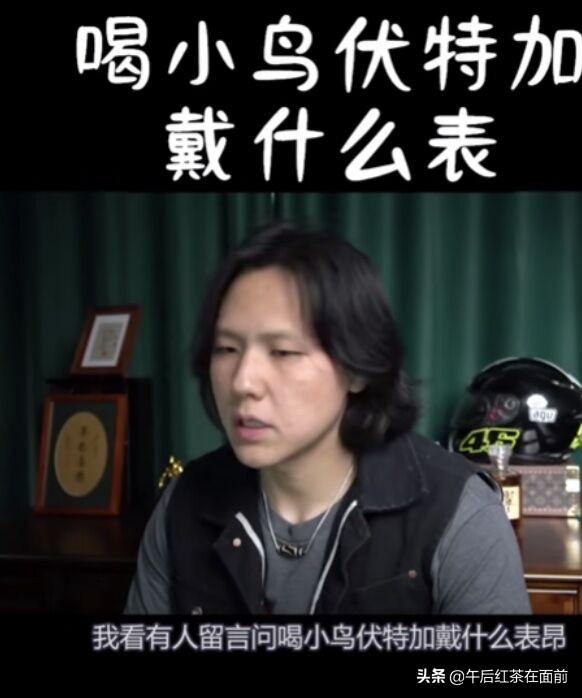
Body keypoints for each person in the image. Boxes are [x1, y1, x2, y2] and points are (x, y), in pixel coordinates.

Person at [125, 224, 531, 614]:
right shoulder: (183, 505)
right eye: (226, 349)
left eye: (283, 352)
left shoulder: (459, 515)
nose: (243, 382)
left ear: (358, 369)